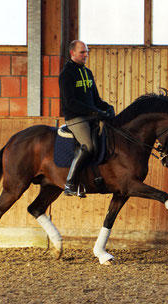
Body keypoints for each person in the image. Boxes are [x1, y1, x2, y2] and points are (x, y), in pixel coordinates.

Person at [59, 40, 115, 197]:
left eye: (87, 52)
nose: (86, 55)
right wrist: (94, 112)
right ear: (73, 53)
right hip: (76, 118)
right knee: (88, 145)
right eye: (83, 52)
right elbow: (70, 102)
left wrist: (107, 108)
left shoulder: (87, 73)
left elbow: (95, 99)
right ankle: (70, 184)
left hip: (91, 116)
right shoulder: (66, 74)